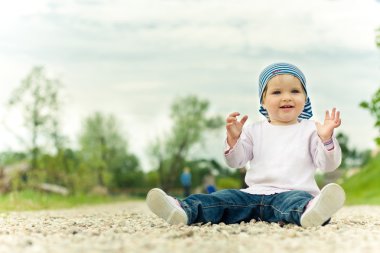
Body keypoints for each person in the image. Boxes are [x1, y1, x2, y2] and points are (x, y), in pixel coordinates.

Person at [146, 62, 345, 228]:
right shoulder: (253, 130)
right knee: (221, 198)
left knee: (295, 203)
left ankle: (311, 212)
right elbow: (236, 161)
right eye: (277, 92)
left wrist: (326, 139)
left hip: (291, 194)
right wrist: (234, 141)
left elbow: (328, 165)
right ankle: (183, 210)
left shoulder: (311, 129)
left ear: (305, 98)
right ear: (263, 101)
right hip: (253, 194)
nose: (286, 97)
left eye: (295, 91)